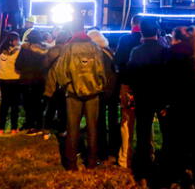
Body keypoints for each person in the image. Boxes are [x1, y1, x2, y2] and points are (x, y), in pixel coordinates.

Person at [53, 17, 107, 170]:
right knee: (92, 128)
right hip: (93, 93)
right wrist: (99, 85)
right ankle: (91, 161)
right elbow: (101, 71)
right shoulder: (95, 47)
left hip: (73, 93)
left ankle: (70, 163)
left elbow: (60, 71)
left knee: (72, 127)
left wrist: (68, 86)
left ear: (72, 30)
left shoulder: (68, 48)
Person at [125, 17, 169, 187]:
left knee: (143, 135)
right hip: (161, 98)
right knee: (167, 135)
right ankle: (165, 169)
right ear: (157, 31)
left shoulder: (136, 51)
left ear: (141, 31)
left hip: (143, 98)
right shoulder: (165, 50)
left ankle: (143, 172)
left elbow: (130, 75)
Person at [165, 26, 195, 189]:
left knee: (176, 144)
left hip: (179, 105)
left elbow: (168, 81)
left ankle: (176, 176)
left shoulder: (173, 53)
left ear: (174, 38)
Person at [88, 29, 119, 162]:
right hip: (113, 90)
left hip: (102, 91)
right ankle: (114, 148)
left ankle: (102, 151)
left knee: (99, 122)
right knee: (113, 120)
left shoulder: (96, 54)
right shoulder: (109, 51)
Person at [115, 15, 142, 168]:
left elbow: (117, 62)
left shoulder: (125, 40)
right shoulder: (148, 39)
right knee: (146, 122)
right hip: (145, 86)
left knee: (126, 122)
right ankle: (148, 153)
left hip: (127, 85)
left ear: (132, 24)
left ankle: (124, 158)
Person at [15, 29, 49, 135]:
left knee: (28, 104)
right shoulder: (45, 50)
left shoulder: (25, 49)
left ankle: (30, 125)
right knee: (39, 103)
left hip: (26, 80)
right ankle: (39, 125)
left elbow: (18, 64)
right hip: (40, 80)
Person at [43, 30, 72, 140]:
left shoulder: (52, 50)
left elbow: (45, 65)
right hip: (64, 83)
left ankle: (46, 130)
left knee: (50, 107)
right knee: (63, 109)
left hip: (52, 82)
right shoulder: (69, 51)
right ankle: (62, 130)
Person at [0, 32, 23, 135]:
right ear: (12, 41)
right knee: (14, 105)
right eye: (17, 40)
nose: (18, 42)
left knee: (4, 104)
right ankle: (13, 128)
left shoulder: (0, 51)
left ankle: (1, 129)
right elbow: (20, 65)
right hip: (14, 79)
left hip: (3, 79)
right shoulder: (18, 52)